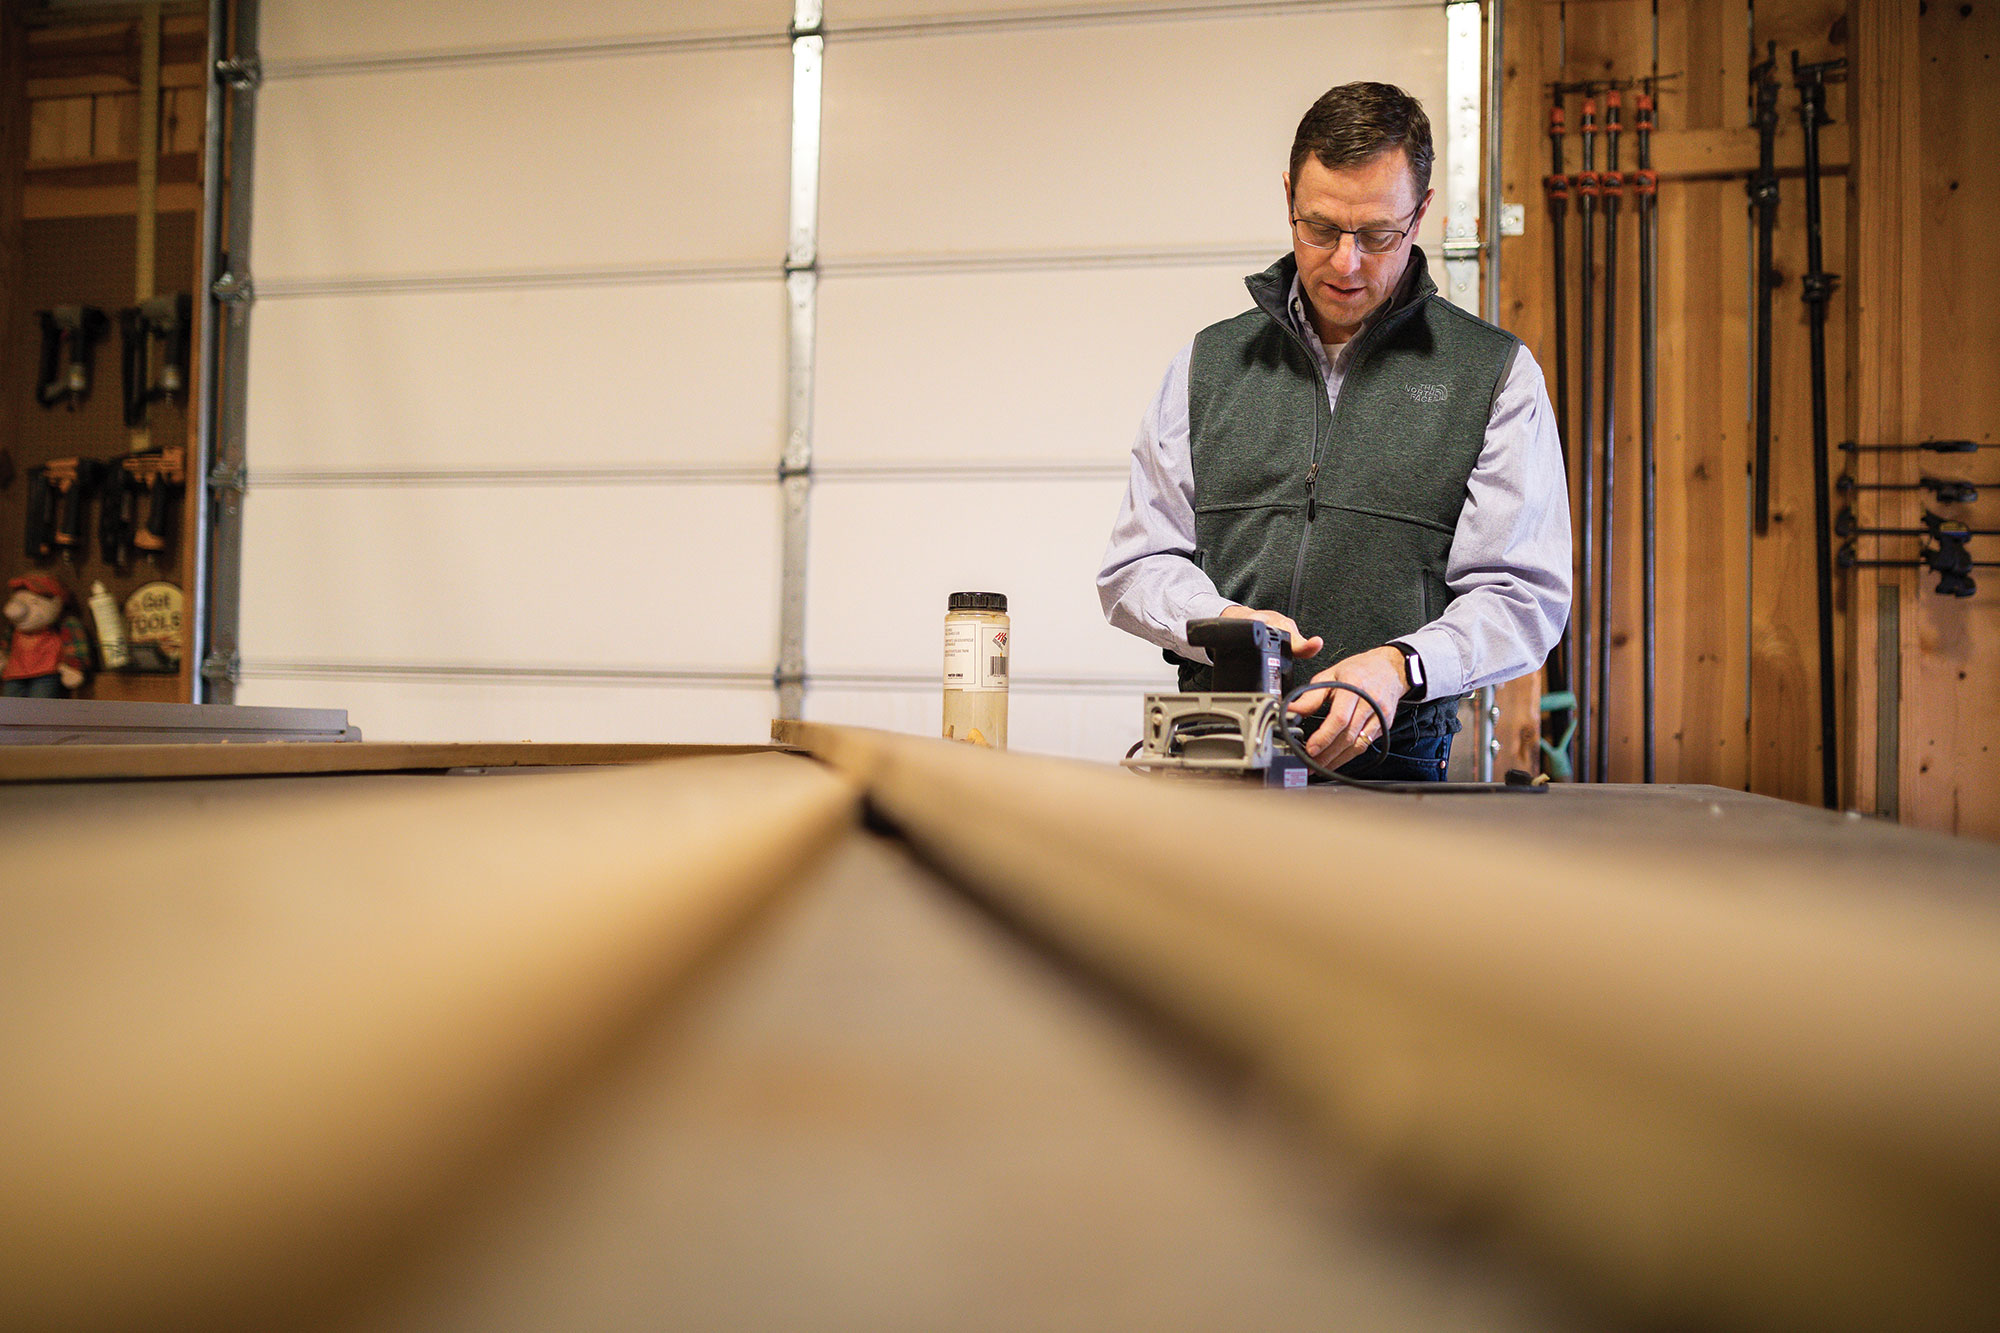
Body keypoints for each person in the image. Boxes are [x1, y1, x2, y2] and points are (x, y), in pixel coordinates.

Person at [1097, 81, 1571, 781]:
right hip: (1217, 762)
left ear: (1422, 215)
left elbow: (1522, 595)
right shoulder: (1207, 366)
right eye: (1319, 228)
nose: (1346, 262)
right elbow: (1137, 565)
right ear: (1289, 196)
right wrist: (1230, 625)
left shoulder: (1495, 377)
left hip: (1396, 774)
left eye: (1378, 235)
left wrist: (1400, 668)